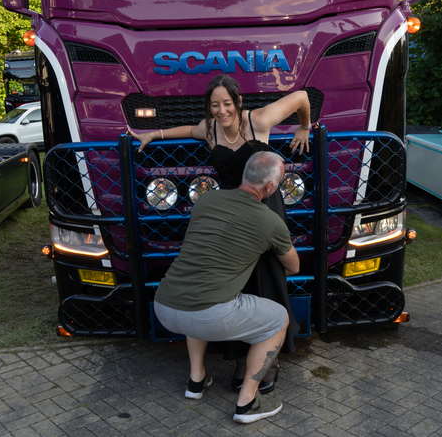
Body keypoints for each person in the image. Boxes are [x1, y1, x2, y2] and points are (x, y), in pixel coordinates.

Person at [128, 74, 310, 392]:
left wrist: (305, 127)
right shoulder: (209, 127)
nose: (221, 110)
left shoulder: (259, 119)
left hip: (264, 208)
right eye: (215, 105)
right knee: (233, 280)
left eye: (227, 103)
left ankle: (270, 358)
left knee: (267, 274)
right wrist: (152, 134)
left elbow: (302, 97)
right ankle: (241, 357)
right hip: (229, 211)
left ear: (238, 101)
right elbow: (185, 130)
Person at [154, 152, 300, 423]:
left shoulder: (207, 199)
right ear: (269, 187)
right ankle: (247, 403)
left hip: (165, 305)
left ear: (246, 174)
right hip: (209, 315)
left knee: (198, 297)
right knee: (279, 320)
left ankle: (196, 382)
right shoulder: (271, 221)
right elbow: (294, 267)